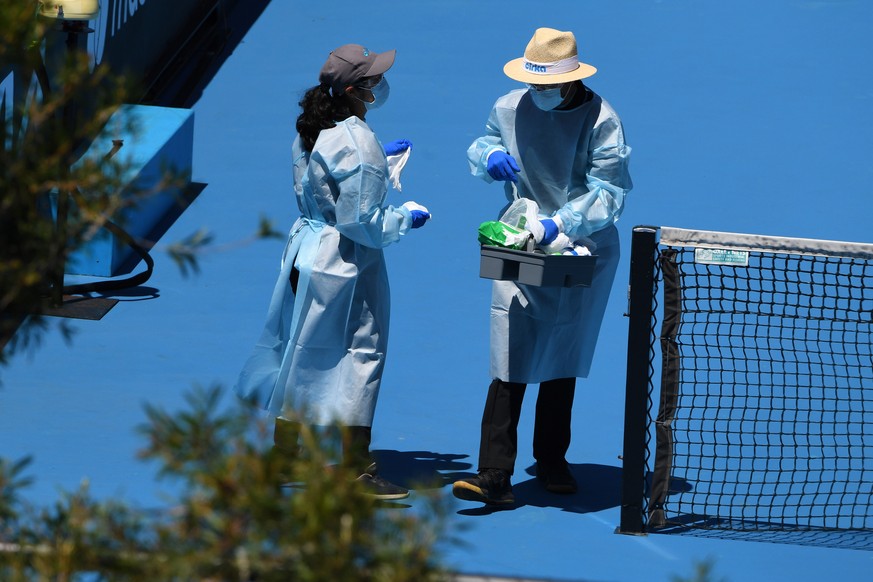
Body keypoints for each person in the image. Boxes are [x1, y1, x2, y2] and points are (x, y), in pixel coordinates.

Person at [235, 43, 431, 500]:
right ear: (358, 89)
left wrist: (378, 155)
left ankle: (284, 455)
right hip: (344, 262)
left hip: (306, 253)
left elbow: (327, 177)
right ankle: (356, 468)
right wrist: (406, 216)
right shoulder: (358, 142)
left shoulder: (313, 127)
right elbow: (363, 221)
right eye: (374, 79)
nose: (381, 85)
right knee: (362, 355)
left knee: (298, 351)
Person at [452, 28, 632, 505]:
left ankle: (552, 458)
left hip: (580, 247)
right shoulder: (511, 106)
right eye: (534, 85)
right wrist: (487, 154)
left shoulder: (601, 120)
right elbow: (486, 139)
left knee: (562, 351)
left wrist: (563, 223)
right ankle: (493, 473)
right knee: (507, 347)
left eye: (546, 86)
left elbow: (609, 193)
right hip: (520, 239)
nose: (539, 94)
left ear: (571, 79)